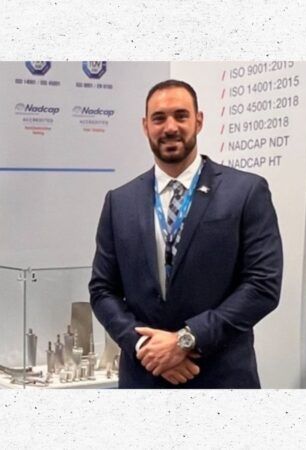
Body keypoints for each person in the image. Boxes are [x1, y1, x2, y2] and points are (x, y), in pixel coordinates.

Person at [89, 80, 283, 388]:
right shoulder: (119, 202)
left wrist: (185, 340)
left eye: (181, 115)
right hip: (145, 377)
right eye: (159, 118)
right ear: (145, 126)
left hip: (220, 378)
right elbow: (102, 290)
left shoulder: (245, 192)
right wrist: (143, 347)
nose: (170, 127)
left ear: (199, 120)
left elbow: (263, 286)